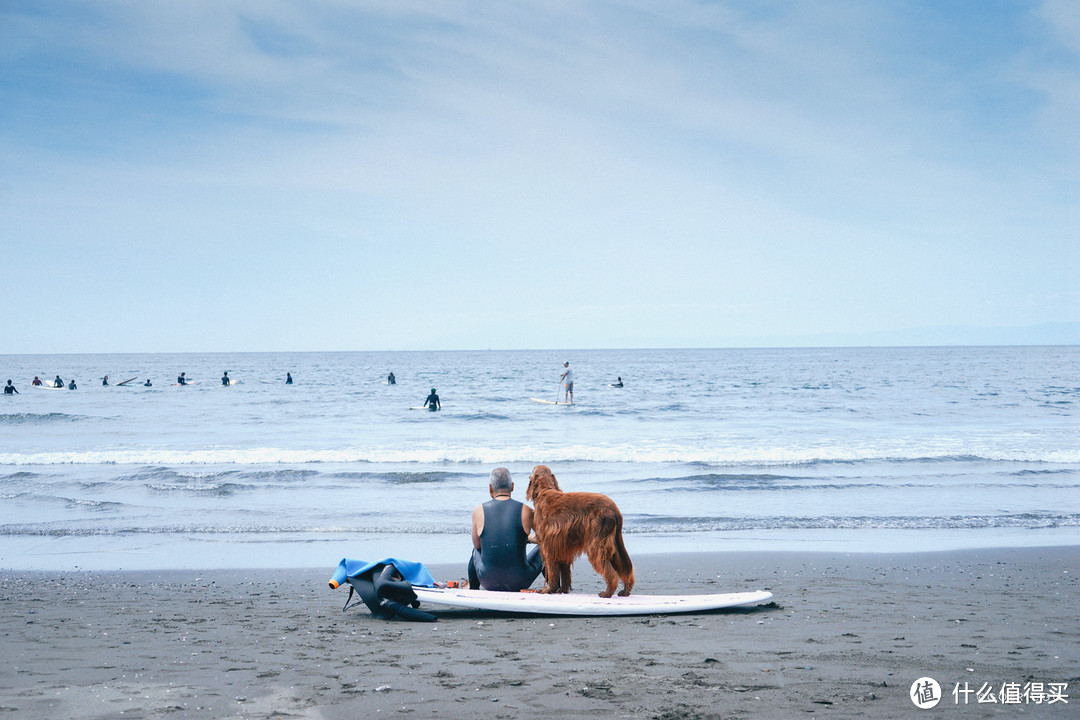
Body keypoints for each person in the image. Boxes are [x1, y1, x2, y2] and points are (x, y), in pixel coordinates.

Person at [468, 467, 544, 592]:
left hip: (488, 580)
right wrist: (527, 538)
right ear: (512, 487)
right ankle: (555, 588)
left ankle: (474, 590)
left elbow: (477, 545)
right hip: (521, 580)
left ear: (490, 488)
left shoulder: (478, 510)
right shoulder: (526, 510)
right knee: (547, 548)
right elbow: (543, 539)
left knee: (475, 550)